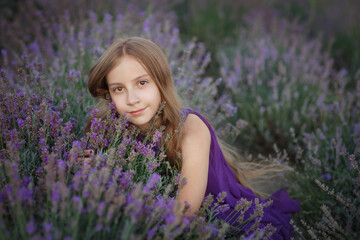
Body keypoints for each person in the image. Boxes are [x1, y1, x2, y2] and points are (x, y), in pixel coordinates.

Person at [73, 37, 300, 239]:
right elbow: (83, 164)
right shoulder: (104, 124)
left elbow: (184, 213)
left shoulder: (191, 130)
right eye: (118, 89)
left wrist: (115, 199)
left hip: (214, 212)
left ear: (162, 83)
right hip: (149, 208)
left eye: (142, 83)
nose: (131, 99)